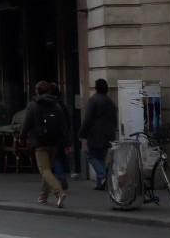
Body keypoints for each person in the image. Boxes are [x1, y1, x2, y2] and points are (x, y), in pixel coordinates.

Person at [20, 80, 71, 208]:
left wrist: (22, 137)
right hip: (54, 141)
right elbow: (63, 125)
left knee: (44, 169)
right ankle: (43, 197)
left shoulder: (33, 105)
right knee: (47, 168)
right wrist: (67, 142)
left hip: (39, 140)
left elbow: (26, 123)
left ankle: (59, 192)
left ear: (37, 91)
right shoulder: (56, 104)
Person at [79, 78, 118, 189]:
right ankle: (101, 184)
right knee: (101, 158)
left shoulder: (93, 100)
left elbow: (88, 119)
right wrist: (112, 130)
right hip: (108, 133)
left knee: (91, 156)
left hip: (95, 133)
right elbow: (114, 119)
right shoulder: (110, 102)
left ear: (96, 88)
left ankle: (103, 176)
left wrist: (82, 133)